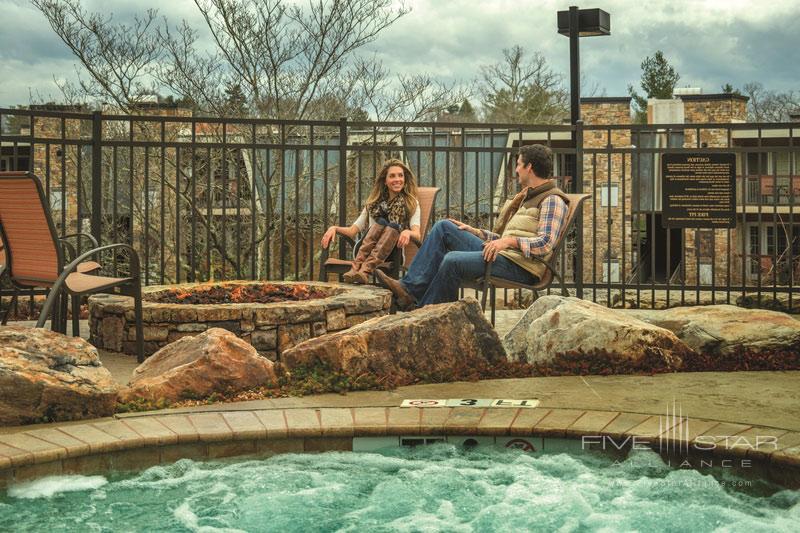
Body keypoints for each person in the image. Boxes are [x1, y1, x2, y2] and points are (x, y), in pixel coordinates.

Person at [376, 144, 569, 310]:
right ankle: (409, 289)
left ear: (530, 167)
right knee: (444, 227)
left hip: (521, 267)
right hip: (505, 256)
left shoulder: (552, 199)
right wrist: (473, 231)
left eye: (519, 164)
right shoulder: (529, 196)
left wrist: (509, 241)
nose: (516, 169)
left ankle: (425, 313)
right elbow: (504, 239)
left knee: (452, 260)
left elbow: (546, 243)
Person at [321, 159, 421, 284]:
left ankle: (364, 270)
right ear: (385, 181)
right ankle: (358, 268)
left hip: (392, 254)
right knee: (381, 222)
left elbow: (417, 234)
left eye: (400, 175)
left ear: (405, 179)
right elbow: (352, 231)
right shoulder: (372, 204)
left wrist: (407, 232)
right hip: (363, 252)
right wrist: (334, 228)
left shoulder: (411, 204)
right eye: (392, 176)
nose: (397, 179)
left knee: (393, 226)